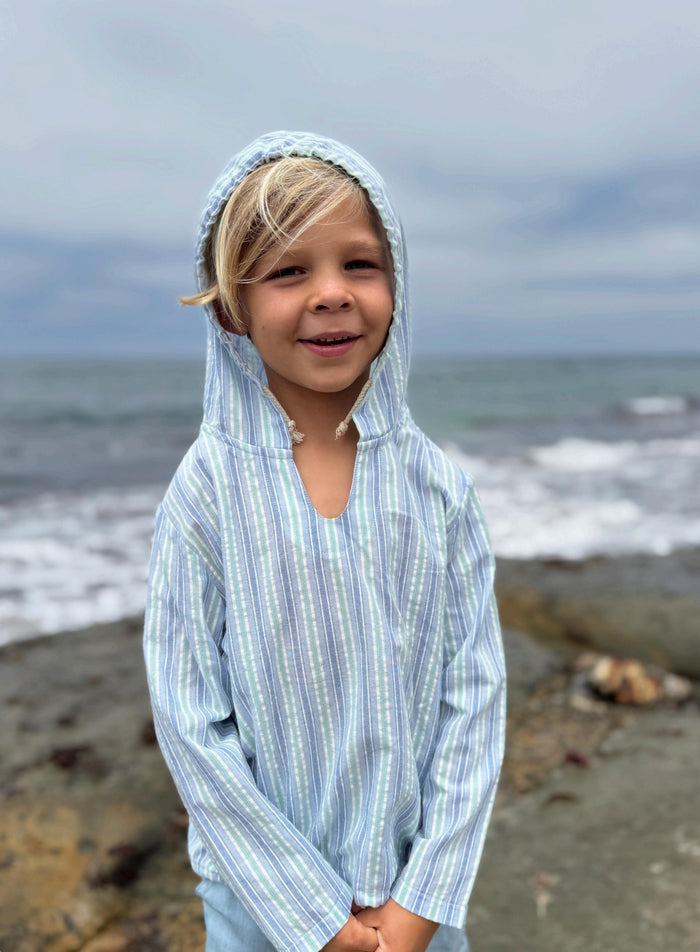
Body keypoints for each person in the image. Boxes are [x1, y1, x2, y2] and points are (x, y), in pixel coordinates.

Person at [143, 131, 506, 952]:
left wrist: (421, 905)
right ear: (232, 306)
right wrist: (316, 921)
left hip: (416, 902)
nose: (332, 294)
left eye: (360, 264)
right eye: (288, 271)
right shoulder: (206, 495)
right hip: (260, 908)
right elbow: (190, 724)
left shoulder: (437, 490)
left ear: (397, 282)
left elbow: (474, 700)